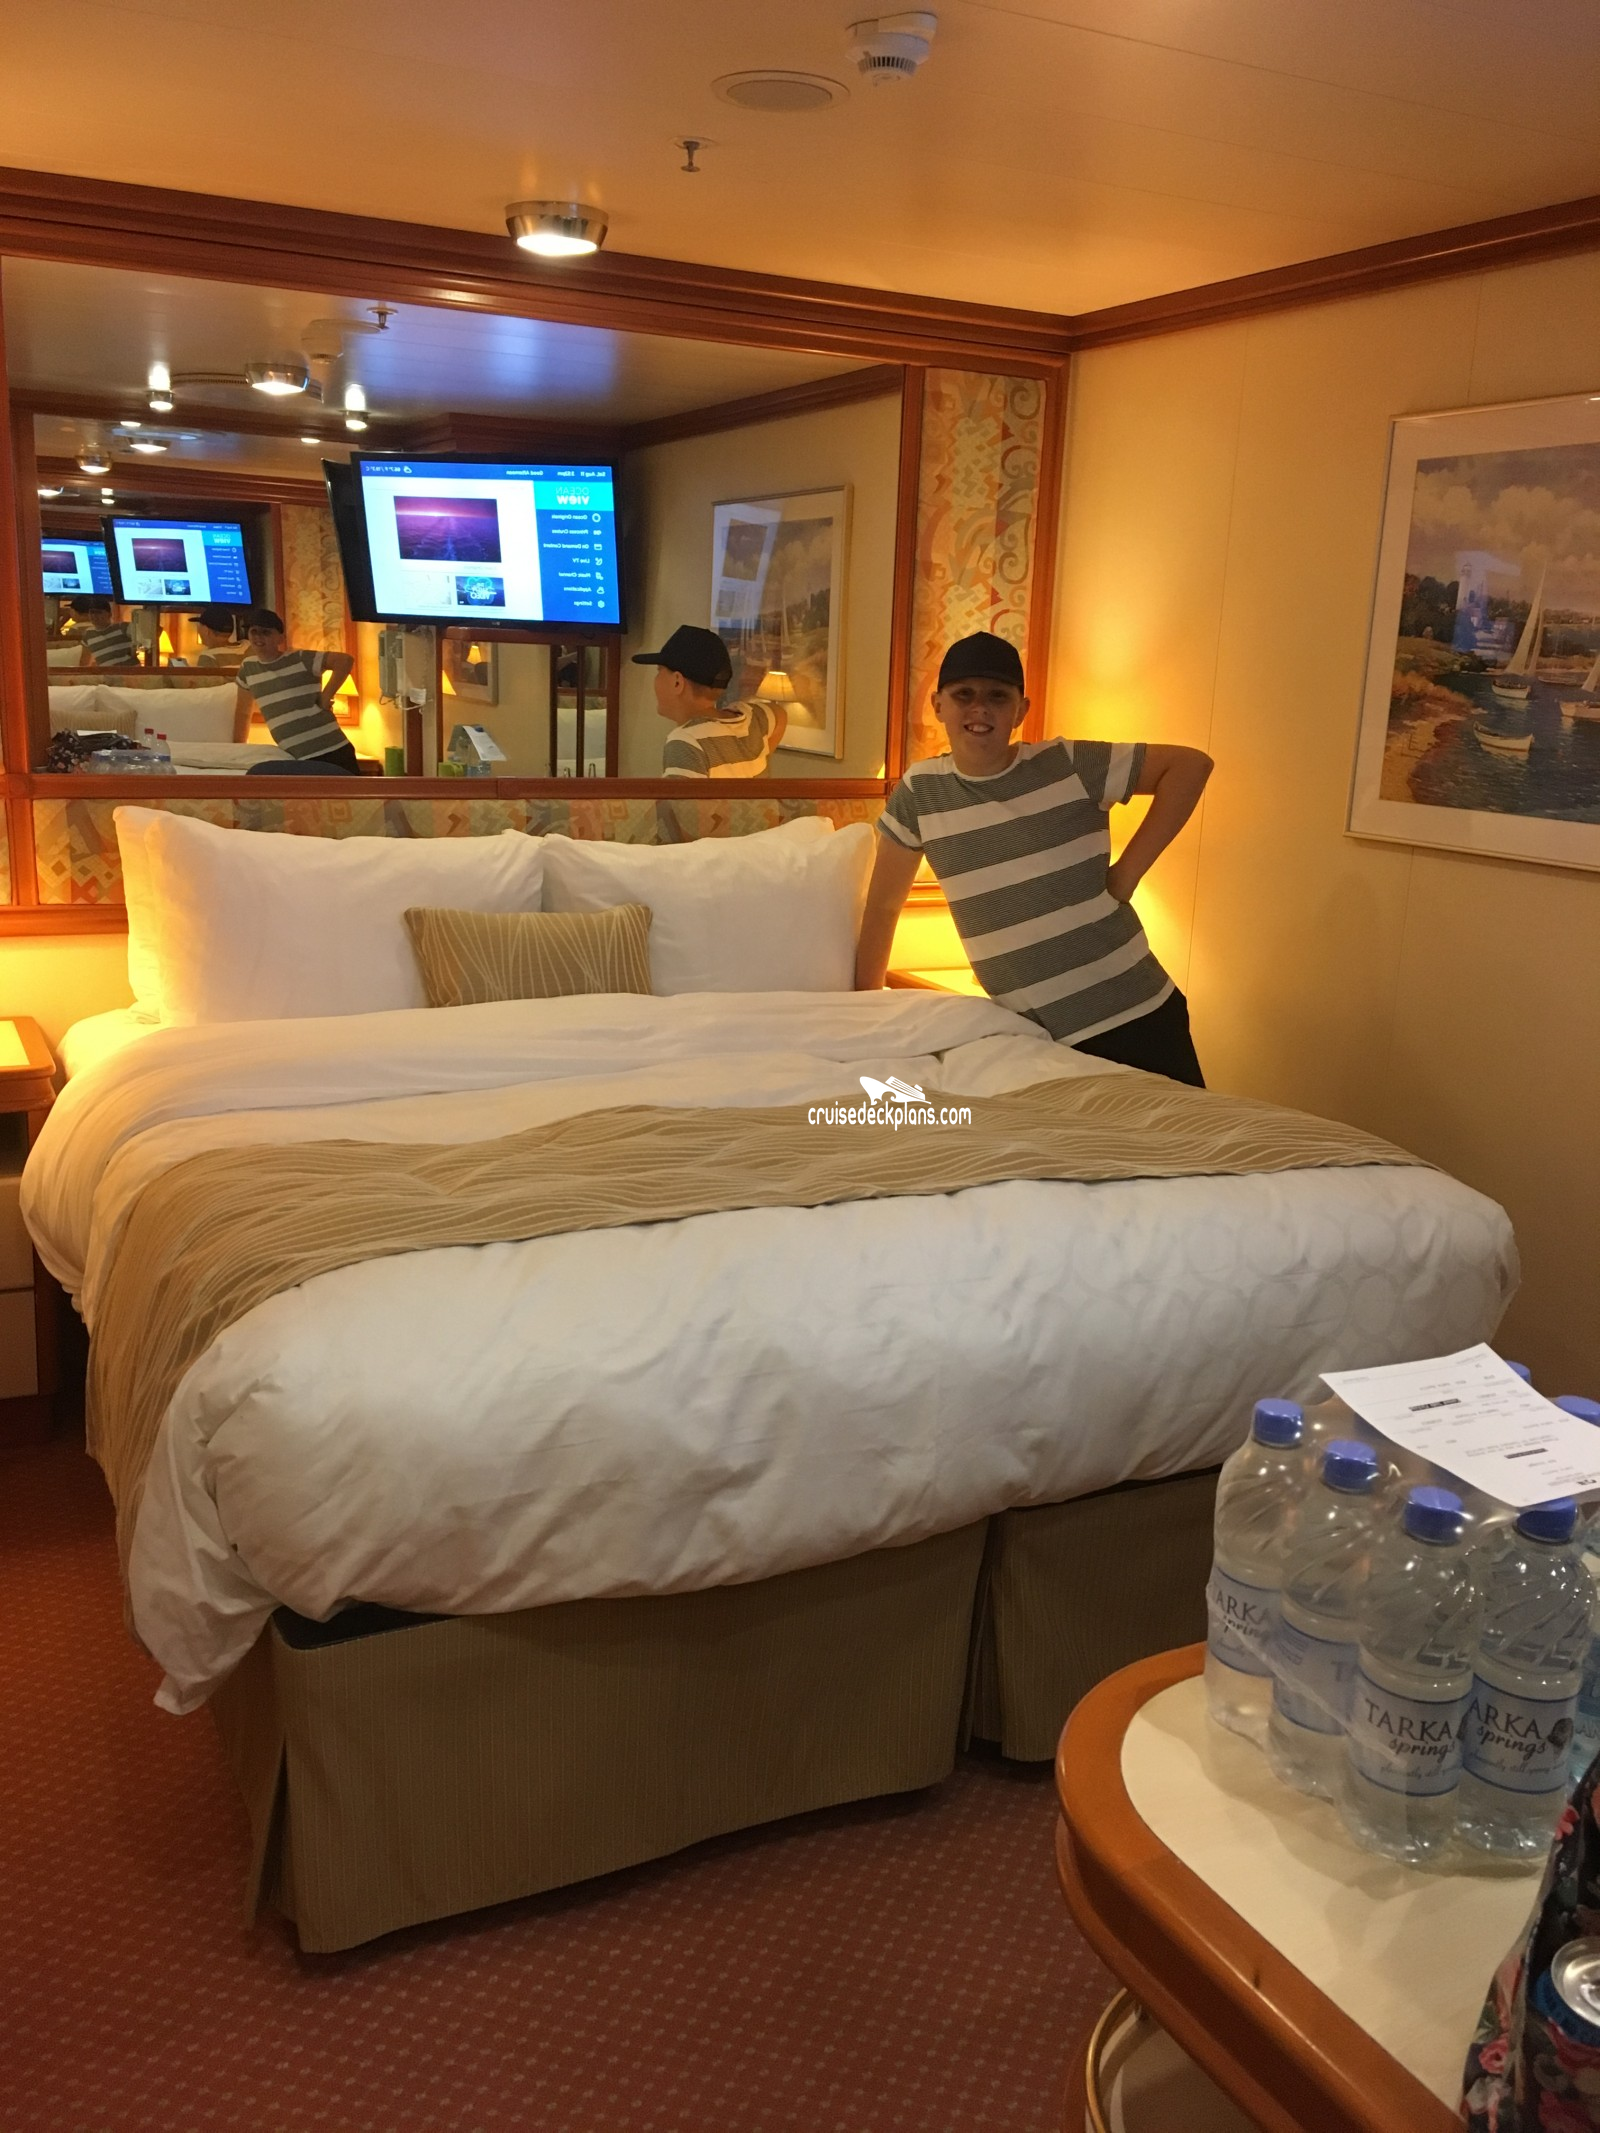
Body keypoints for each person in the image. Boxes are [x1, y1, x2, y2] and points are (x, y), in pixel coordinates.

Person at [855, 631, 1214, 1085]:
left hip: (1135, 1011)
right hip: (1034, 1039)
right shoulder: (920, 792)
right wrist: (864, 1010)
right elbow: (883, 906)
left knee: (1184, 1131)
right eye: (964, 694)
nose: (980, 708)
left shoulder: (1067, 764)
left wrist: (1126, 875)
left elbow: (1190, 766)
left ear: (1020, 710)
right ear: (938, 705)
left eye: (997, 696)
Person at [632, 625, 786, 778]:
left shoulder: (686, 742)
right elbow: (780, 714)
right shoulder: (751, 718)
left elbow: (681, 799)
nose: (656, 679)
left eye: (659, 670)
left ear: (677, 682)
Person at [234, 609, 360, 775]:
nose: (258, 637)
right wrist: (237, 748)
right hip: (298, 757)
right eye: (254, 631)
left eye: (266, 632)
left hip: (332, 748)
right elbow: (243, 712)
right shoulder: (248, 668)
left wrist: (326, 697)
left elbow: (344, 660)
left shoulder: (300, 659)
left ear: (280, 638)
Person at [68, 598, 137, 668]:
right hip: (107, 673)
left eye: (98, 612)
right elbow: (84, 661)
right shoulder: (88, 634)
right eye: (92, 612)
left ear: (109, 614)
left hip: (130, 672)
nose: (94, 616)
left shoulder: (123, 627)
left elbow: (141, 639)